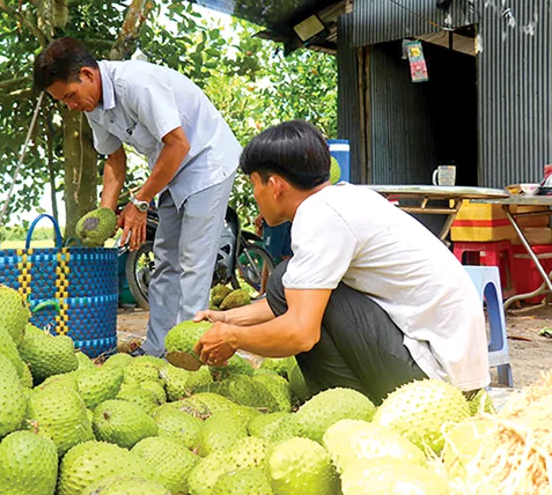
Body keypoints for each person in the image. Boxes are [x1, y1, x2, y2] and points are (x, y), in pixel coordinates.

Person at [194, 120, 489, 403]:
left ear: (275, 185)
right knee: (290, 282)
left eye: (254, 186)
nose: (256, 196)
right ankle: (358, 400)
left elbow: (300, 332)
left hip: (433, 381)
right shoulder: (344, 199)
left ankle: (356, 406)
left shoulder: (319, 216)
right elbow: (294, 298)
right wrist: (226, 319)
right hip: (452, 372)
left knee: (285, 281)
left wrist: (233, 338)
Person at [33, 37, 242, 357]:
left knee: (192, 263)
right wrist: (105, 215)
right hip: (170, 171)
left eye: (70, 96)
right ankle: (156, 349)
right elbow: (114, 160)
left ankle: (192, 356)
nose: (71, 106)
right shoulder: (94, 107)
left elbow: (179, 144)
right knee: (164, 264)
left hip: (206, 161)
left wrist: (140, 202)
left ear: (87, 75)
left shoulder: (136, 83)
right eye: (64, 102)